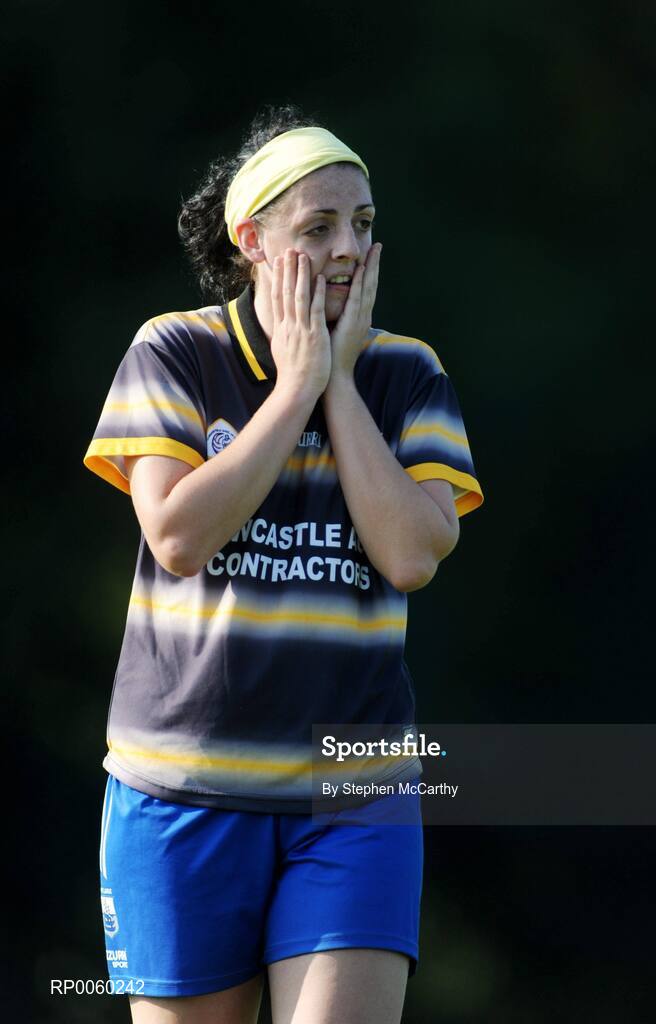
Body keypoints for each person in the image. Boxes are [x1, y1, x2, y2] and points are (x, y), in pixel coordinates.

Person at [85, 105, 483, 1024]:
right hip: (178, 791)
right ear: (251, 241)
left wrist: (337, 383)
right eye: (318, 227)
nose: (349, 247)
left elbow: (413, 553)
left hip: (355, 794)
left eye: (365, 224)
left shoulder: (407, 374)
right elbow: (178, 537)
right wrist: (294, 385)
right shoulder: (174, 351)